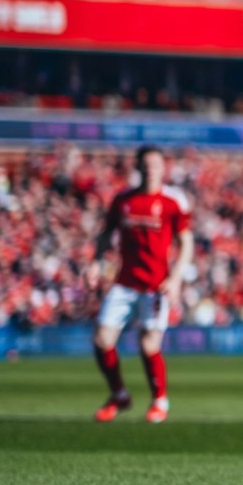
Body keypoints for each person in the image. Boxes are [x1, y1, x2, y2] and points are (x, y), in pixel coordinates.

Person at [88, 144, 195, 424]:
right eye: (145, 165)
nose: (150, 170)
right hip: (125, 283)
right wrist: (96, 263)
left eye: (156, 165)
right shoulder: (123, 199)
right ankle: (119, 395)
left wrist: (175, 278)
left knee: (149, 344)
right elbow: (105, 234)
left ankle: (160, 400)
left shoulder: (174, 201)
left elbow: (186, 242)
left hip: (156, 285)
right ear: (138, 168)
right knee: (102, 339)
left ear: (163, 168)